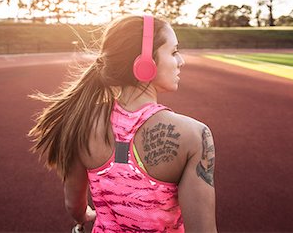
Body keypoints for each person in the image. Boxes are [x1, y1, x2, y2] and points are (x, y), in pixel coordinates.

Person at [28, 15, 217, 232]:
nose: (180, 61)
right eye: (174, 52)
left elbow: (74, 206)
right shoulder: (194, 135)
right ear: (145, 63)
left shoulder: (80, 122)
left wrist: (86, 215)